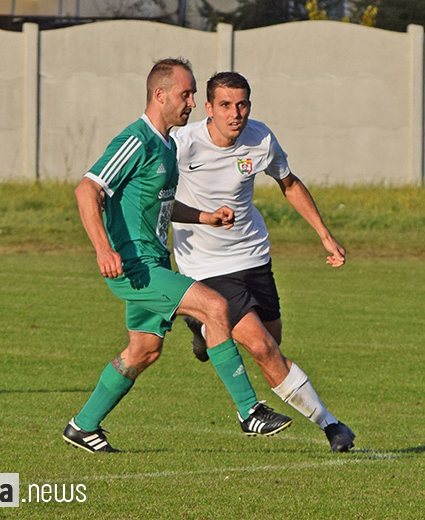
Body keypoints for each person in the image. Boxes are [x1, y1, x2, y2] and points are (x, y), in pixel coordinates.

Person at [63, 58, 291, 453]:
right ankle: (249, 410)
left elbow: (164, 206)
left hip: (156, 262)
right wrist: (103, 248)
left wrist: (204, 216)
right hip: (134, 266)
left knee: (144, 351)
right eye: (185, 94)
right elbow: (87, 189)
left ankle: (83, 426)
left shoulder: (167, 145)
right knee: (215, 306)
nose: (190, 102)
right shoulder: (136, 140)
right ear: (160, 94)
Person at [170, 71, 355, 452]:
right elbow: (157, 201)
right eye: (225, 105)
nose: (235, 113)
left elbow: (289, 183)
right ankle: (332, 426)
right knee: (261, 348)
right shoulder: (181, 144)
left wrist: (324, 233)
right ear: (208, 108)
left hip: (254, 256)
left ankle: (204, 330)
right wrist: (204, 218)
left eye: (242, 104)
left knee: (273, 344)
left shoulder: (261, 138)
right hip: (204, 267)